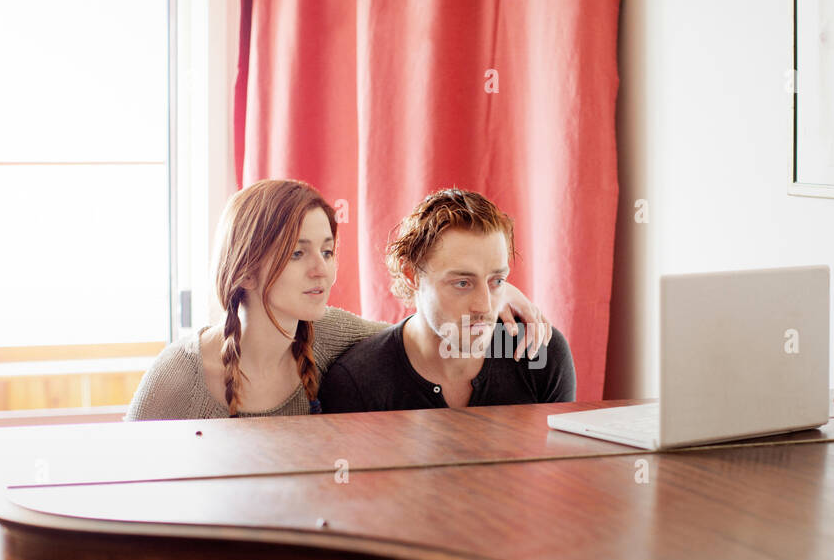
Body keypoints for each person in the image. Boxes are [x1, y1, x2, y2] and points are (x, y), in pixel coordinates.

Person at [125, 179, 552, 420]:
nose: (321, 269)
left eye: (327, 251)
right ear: (246, 267)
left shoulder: (332, 335)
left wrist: (492, 290)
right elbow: (123, 486)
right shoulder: (179, 378)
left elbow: (419, 335)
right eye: (298, 252)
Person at [318, 188, 575, 412]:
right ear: (411, 275)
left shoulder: (539, 354)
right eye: (463, 283)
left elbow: (560, 465)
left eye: (496, 281)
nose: (485, 307)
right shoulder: (358, 381)